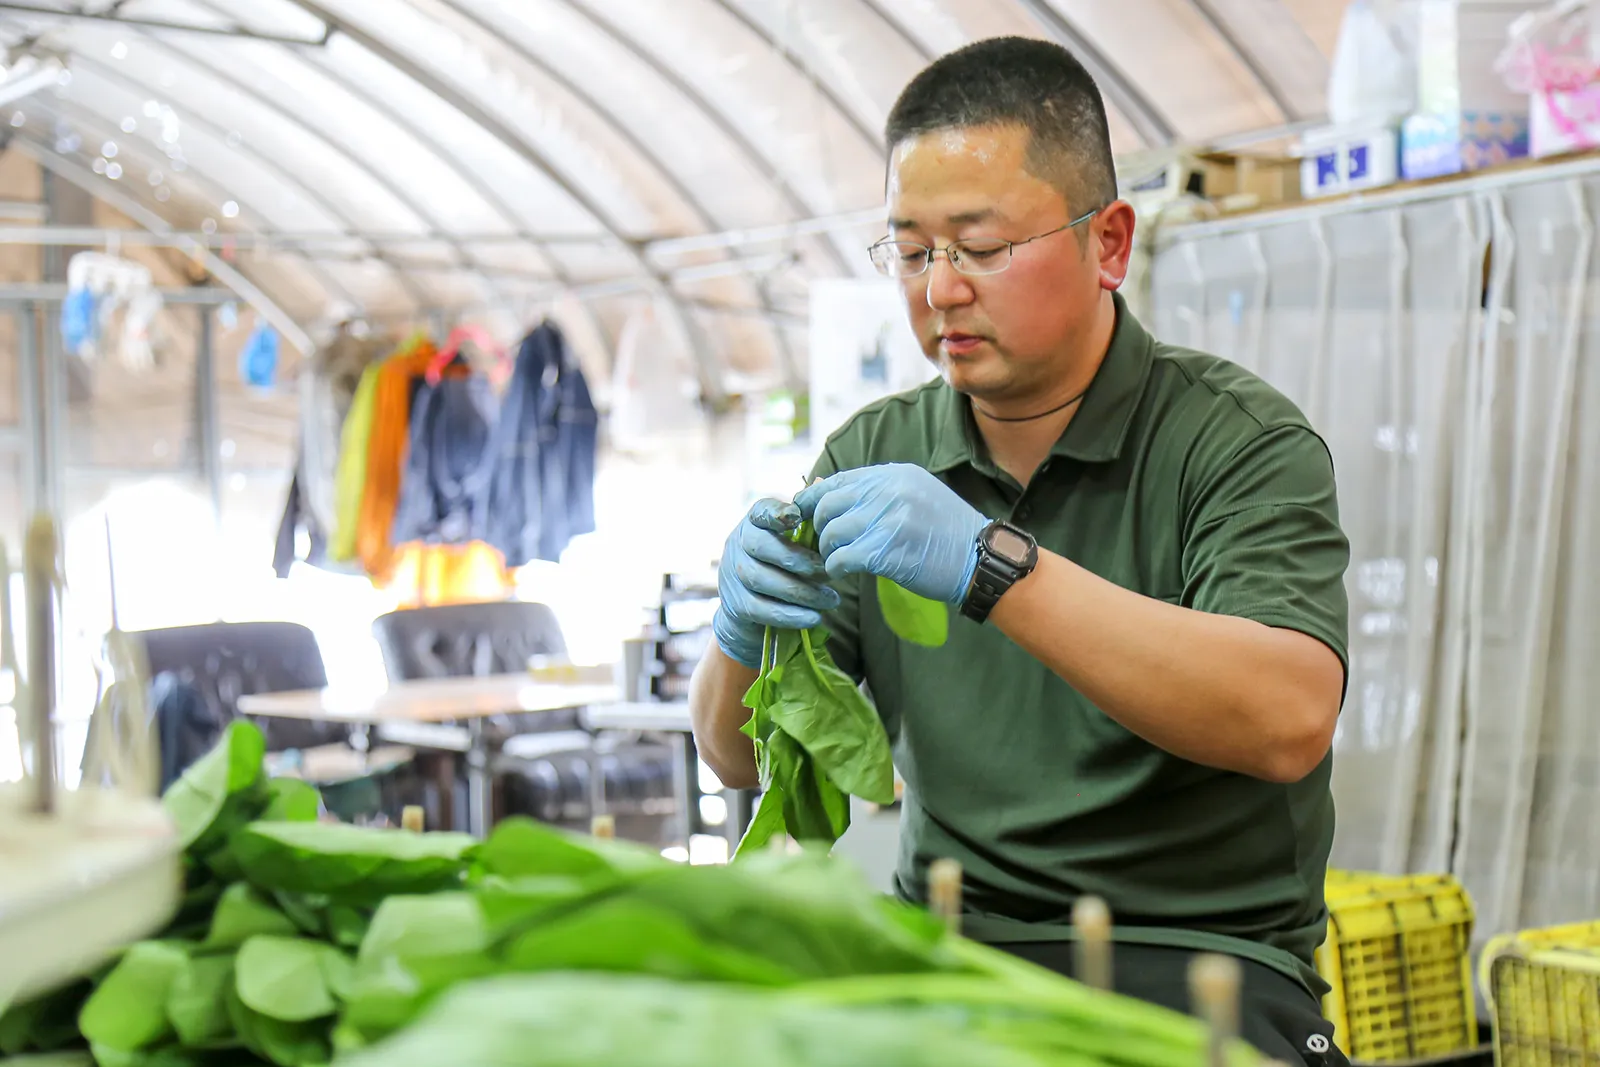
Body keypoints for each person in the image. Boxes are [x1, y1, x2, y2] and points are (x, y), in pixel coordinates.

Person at [688, 35, 1351, 1067]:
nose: (940, 289)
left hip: (1196, 961)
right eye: (911, 251)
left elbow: (1285, 717)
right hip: (953, 949)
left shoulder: (1234, 442)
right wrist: (740, 631)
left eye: (980, 245)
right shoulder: (873, 454)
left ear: (1110, 243)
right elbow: (737, 755)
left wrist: (993, 568)